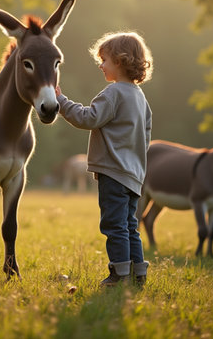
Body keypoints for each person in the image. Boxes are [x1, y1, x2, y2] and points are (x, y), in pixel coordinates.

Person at [56, 31, 153, 286]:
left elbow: (88, 118)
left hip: (114, 173)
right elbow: (145, 136)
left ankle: (119, 274)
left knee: (114, 225)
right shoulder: (140, 98)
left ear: (119, 61)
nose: (101, 65)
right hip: (133, 175)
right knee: (130, 226)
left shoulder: (114, 93)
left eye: (104, 60)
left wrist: (61, 101)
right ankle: (137, 274)